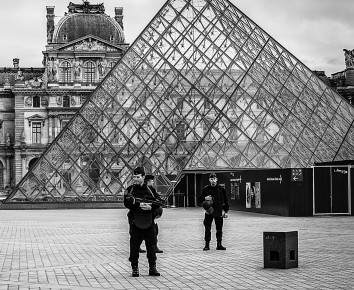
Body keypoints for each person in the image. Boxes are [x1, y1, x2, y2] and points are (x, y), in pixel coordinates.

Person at [124, 167, 161, 277]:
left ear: (143, 177)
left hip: (149, 220)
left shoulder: (150, 190)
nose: (135, 179)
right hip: (135, 221)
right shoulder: (130, 189)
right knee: (134, 245)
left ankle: (152, 267)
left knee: (151, 245)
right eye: (134, 177)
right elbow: (127, 203)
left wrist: (150, 207)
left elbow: (158, 202)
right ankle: (135, 268)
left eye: (138, 177)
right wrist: (139, 205)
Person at [198, 173, 229, 251]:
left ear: (216, 179)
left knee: (219, 228)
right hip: (209, 211)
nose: (213, 181)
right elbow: (199, 200)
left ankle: (219, 244)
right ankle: (207, 245)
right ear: (209, 180)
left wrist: (226, 211)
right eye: (211, 179)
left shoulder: (221, 189)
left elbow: (225, 200)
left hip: (219, 211)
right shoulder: (206, 189)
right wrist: (205, 197)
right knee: (207, 228)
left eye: (214, 179)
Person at [144, 174, 164, 254]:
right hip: (146, 213)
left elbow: (157, 197)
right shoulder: (145, 189)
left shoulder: (152, 189)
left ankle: (154, 246)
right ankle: (138, 246)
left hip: (152, 214)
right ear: (148, 181)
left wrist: (159, 200)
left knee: (154, 231)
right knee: (145, 232)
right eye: (152, 181)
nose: (153, 182)